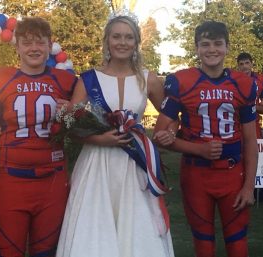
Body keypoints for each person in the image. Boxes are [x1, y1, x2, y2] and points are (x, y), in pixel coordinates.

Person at [56, 13, 175, 257]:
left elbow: (171, 115)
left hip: (134, 165)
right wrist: (99, 139)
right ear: (107, 41)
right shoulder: (88, 79)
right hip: (96, 164)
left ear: (136, 42)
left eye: (129, 37)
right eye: (117, 36)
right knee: (94, 226)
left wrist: (169, 132)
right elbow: (71, 126)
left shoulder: (149, 79)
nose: (122, 42)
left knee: (137, 227)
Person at [0, 17, 77, 257]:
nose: (34, 48)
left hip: (53, 181)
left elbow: (83, 133)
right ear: (17, 46)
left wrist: (73, 111)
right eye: (27, 42)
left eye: (40, 43)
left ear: (49, 46)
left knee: (46, 252)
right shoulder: (2, 80)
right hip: (12, 181)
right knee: (10, 251)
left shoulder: (67, 83)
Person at [154, 21, 258, 257]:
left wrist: (249, 186)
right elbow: (161, 135)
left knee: (238, 241)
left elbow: (251, 141)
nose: (212, 49)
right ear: (197, 48)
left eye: (218, 44)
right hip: (196, 174)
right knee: (203, 243)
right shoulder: (181, 81)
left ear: (227, 47)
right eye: (206, 44)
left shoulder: (243, 84)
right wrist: (198, 149)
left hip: (233, 174)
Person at [237, 52, 263, 138]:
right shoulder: (233, 80)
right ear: (238, 66)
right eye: (241, 64)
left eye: (247, 63)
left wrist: (253, 107)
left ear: (251, 64)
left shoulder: (259, 79)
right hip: (236, 123)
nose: (245, 66)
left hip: (254, 122)